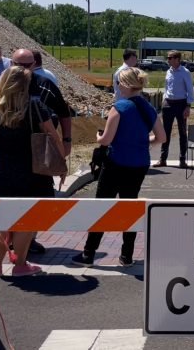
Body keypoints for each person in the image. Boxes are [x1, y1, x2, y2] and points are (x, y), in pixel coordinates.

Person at [0, 48, 73, 255]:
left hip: (7, 165)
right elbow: (52, 134)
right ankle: (20, 261)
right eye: (18, 65)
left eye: (27, 65)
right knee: (30, 215)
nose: (23, 70)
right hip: (35, 165)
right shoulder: (36, 105)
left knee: (3, 214)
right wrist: (61, 161)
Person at [73, 68, 165, 267]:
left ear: (124, 84)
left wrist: (98, 137)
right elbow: (161, 137)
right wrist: (144, 141)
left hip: (116, 162)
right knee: (129, 206)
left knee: (102, 206)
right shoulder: (148, 108)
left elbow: (106, 139)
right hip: (139, 163)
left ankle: (89, 253)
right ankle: (127, 255)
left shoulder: (119, 107)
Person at [154, 50, 194, 168]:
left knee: (182, 132)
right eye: (168, 58)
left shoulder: (185, 72)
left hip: (181, 104)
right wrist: (164, 100)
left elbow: (190, 91)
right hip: (168, 104)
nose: (168, 60)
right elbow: (167, 88)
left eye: (170, 58)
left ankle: (182, 159)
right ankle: (163, 159)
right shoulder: (168, 72)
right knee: (165, 132)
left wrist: (188, 106)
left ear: (177, 59)